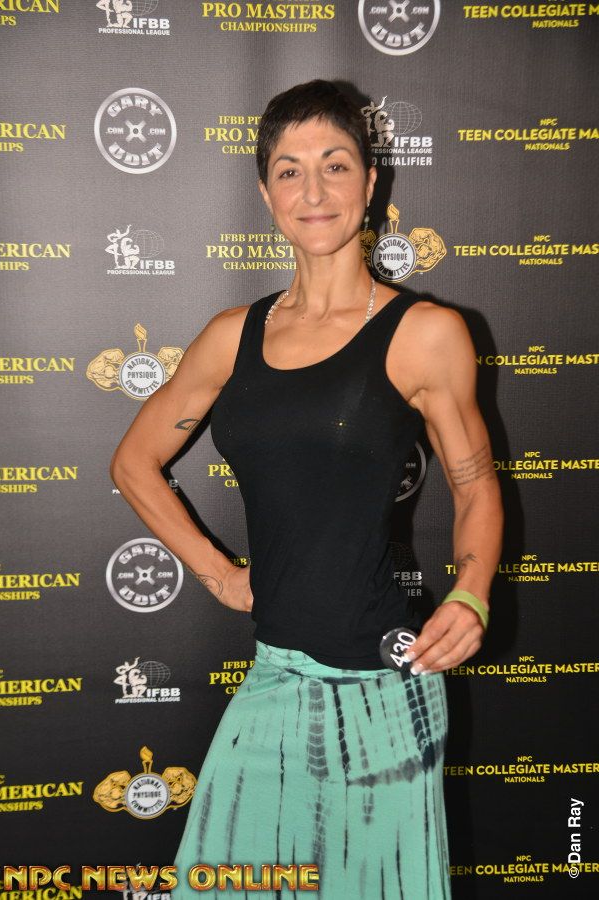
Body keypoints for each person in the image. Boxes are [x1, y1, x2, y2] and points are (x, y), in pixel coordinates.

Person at [110, 80, 503, 899]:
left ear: (370, 182)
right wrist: (222, 575)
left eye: (335, 164)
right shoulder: (231, 337)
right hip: (274, 681)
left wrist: (471, 595)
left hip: (385, 690)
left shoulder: (427, 334)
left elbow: (473, 485)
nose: (313, 190)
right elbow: (135, 462)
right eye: (289, 171)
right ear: (266, 193)